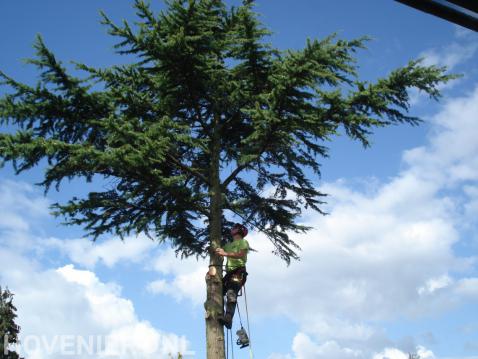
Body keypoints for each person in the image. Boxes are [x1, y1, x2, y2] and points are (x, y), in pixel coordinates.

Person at [215, 223, 250, 329]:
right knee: (219, 292)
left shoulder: (243, 242)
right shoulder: (229, 245)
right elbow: (220, 250)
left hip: (238, 272)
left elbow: (240, 254)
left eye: (235, 229)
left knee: (231, 293)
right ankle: (225, 318)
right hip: (229, 274)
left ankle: (228, 317)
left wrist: (224, 254)